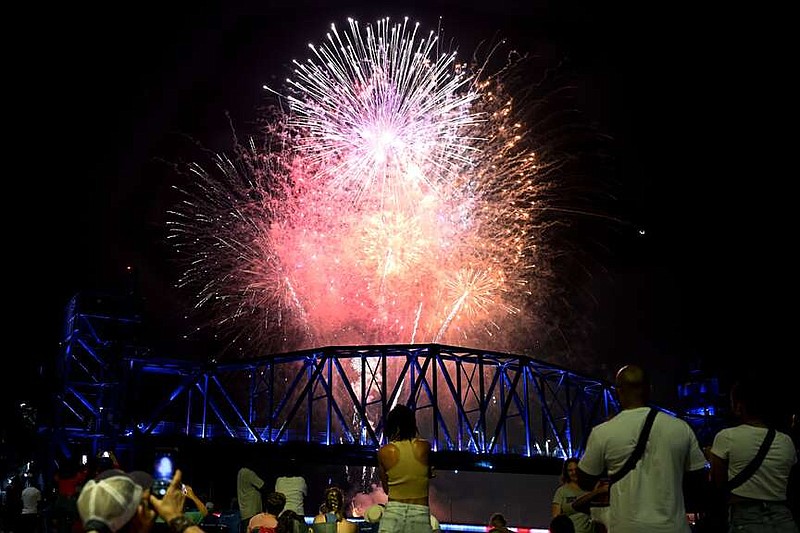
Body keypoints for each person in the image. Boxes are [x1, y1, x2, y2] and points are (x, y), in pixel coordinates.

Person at [577, 364, 707, 533]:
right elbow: (698, 480)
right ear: (650, 389)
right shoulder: (681, 428)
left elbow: (584, 479)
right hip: (674, 527)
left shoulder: (603, 432)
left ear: (618, 391)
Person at [708, 374, 798, 532]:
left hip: (746, 519)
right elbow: (790, 482)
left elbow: (718, 484)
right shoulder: (786, 441)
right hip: (784, 518)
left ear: (739, 406)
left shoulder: (726, 437)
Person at [376, 404, 433, 533]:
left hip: (393, 512)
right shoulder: (424, 447)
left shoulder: (384, 452)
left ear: (391, 426)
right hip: (419, 513)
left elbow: (386, 489)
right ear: (412, 424)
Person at [551, 458, 604, 533]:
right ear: (566, 473)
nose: (574, 473)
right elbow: (556, 519)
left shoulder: (591, 489)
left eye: (576, 469)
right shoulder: (561, 491)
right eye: (570, 470)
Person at [238, 466, 266, 533]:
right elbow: (262, 485)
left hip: (245, 510)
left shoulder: (241, 471)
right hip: (252, 511)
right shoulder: (249, 473)